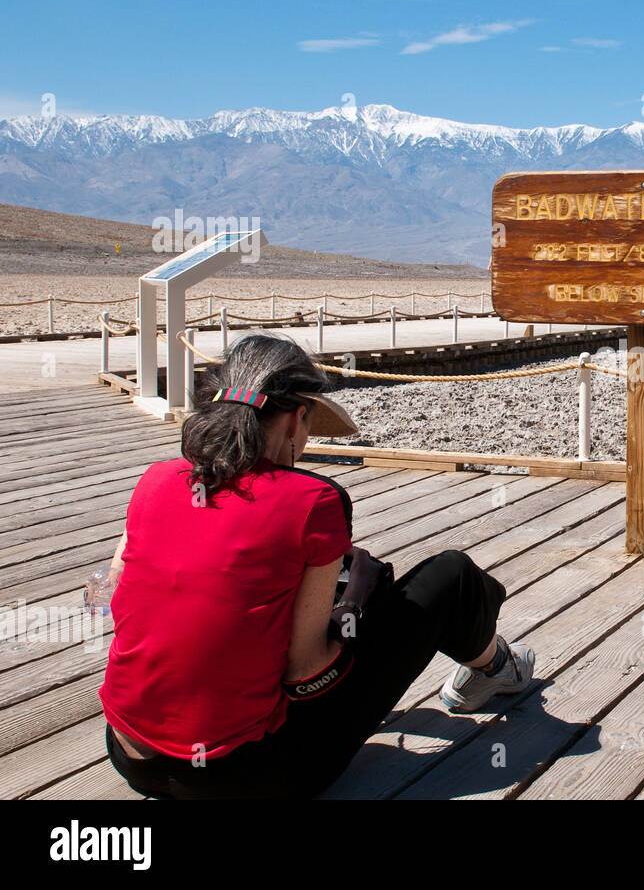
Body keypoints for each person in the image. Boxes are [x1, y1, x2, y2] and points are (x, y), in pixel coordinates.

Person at [98, 334, 534, 799]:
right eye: (307, 426)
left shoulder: (156, 480)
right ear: (295, 419)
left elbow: (106, 595)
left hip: (130, 753)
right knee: (450, 575)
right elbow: (307, 673)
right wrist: (354, 600)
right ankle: (496, 668)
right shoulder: (312, 500)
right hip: (245, 776)